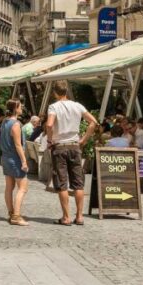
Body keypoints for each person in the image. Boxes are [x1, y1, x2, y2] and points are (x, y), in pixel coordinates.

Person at [45, 80, 97, 226]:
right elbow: (93, 122)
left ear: (55, 93)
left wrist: (49, 140)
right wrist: (84, 139)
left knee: (62, 183)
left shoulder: (53, 107)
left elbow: (49, 124)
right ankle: (79, 216)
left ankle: (66, 217)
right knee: (78, 184)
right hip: (75, 146)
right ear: (66, 91)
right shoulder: (77, 105)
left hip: (59, 146)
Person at [0, 99, 29, 226]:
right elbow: (18, 145)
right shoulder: (16, 124)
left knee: (9, 187)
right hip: (14, 158)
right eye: (20, 106)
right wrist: (24, 161)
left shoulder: (4, 122)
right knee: (22, 188)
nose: (21, 108)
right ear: (15, 109)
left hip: (5, 158)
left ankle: (11, 213)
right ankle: (16, 216)